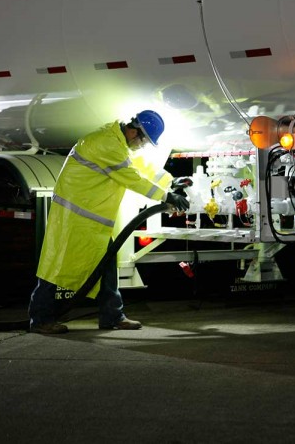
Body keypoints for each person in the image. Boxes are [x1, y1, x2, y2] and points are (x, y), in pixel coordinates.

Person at [28, 110, 190, 334]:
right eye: (144, 141)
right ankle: (40, 319)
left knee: (106, 265)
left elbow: (140, 167)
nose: (142, 146)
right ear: (135, 131)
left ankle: (112, 315)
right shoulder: (107, 144)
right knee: (56, 267)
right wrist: (167, 196)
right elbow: (132, 178)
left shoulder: (115, 141)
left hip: (89, 218)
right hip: (75, 218)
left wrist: (171, 183)